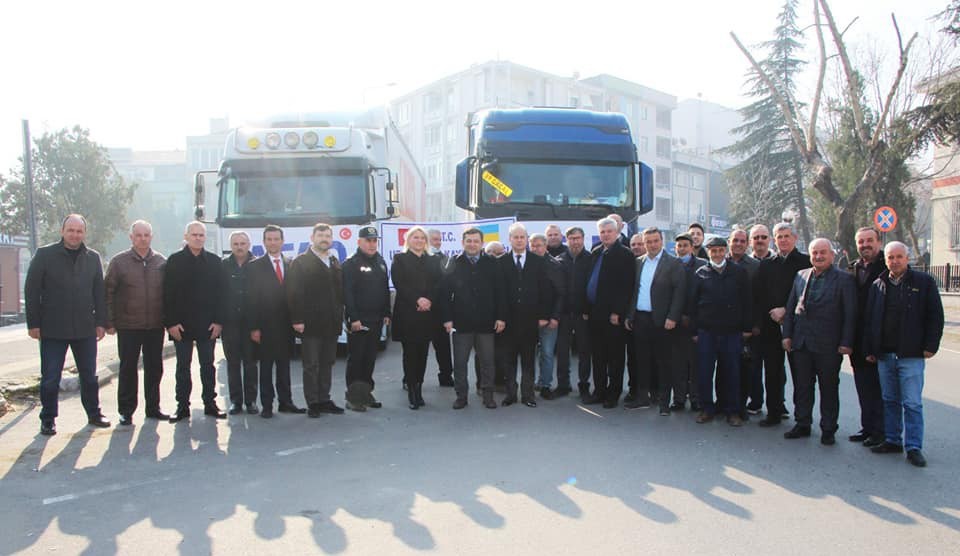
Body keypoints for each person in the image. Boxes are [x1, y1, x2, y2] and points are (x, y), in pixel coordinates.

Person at [26, 214, 110, 435]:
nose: (75, 235)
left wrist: (101, 322)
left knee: (89, 375)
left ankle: (94, 413)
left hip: (84, 327)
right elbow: (32, 290)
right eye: (71, 230)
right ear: (62, 231)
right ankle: (48, 419)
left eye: (79, 231)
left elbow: (99, 293)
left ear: (84, 233)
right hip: (53, 327)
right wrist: (33, 323)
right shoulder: (45, 255)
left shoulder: (92, 258)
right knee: (51, 376)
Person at [864, 242, 944, 467]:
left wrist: (931, 345)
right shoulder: (878, 284)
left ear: (907, 258)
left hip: (911, 354)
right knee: (890, 399)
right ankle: (892, 440)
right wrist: (871, 349)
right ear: (886, 259)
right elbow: (870, 320)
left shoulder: (924, 283)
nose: (895, 261)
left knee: (912, 403)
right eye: (891, 257)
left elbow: (935, 316)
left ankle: (914, 447)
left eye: (899, 257)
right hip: (885, 354)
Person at [781, 238, 856, 445]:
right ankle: (802, 423)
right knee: (803, 386)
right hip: (802, 343)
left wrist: (846, 342)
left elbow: (850, 314)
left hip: (829, 345)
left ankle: (829, 428)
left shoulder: (844, 280)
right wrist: (787, 335)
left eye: (823, 252)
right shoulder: (801, 275)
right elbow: (790, 308)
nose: (818, 256)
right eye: (814, 253)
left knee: (829, 387)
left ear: (832, 255)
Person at [104, 220, 167, 425]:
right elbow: (108, 293)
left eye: (146, 235)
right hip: (128, 325)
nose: (142, 239)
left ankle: (153, 407)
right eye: (138, 235)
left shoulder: (160, 262)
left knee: (154, 368)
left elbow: (168, 294)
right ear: (131, 237)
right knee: (128, 368)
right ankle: (126, 411)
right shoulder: (119, 262)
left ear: (151, 237)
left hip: (155, 326)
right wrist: (110, 321)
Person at [164, 221, 226, 422]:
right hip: (181, 326)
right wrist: (171, 323)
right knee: (183, 367)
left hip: (208, 325)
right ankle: (182, 407)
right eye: (194, 235)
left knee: (208, 366)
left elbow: (221, 294)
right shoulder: (174, 261)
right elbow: (168, 294)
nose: (198, 238)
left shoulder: (215, 262)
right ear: (186, 236)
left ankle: (210, 404)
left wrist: (218, 322)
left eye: (201, 235)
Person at [440, 228, 506, 409]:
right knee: (460, 363)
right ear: (463, 243)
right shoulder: (453, 263)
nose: (472, 244)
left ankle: (488, 396)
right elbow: (444, 295)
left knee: (487, 363)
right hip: (461, 323)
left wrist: (501, 317)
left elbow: (500, 293)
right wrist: (447, 319)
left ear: (482, 243)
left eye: (476, 241)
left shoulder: (492, 263)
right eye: (468, 241)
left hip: (486, 322)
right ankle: (461, 396)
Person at [690, 237, 752, 426]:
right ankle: (706, 409)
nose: (716, 254)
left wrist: (747, 328)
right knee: (704, 373)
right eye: (713, 251)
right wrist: (694, 331)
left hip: (731, 333)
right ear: (708, 252)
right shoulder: (700, 273)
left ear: (725, 251)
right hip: (706, 332)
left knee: (731, 372)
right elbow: (692, 305)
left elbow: (747, 301)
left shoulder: (738, 272)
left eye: (719, 250)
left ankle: (732, 411)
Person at [754, 222, 811, 427]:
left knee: (800, 374)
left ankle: (803, 418)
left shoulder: (806, 262)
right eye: (779, 237)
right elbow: (759, 295)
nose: (783, 240)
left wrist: (786, 311)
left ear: (795, 238)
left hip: (798, 326)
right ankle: (774, 412)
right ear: (774, 240)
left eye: (787, 236)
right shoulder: (768, 264)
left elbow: (809, 294)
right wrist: (770, 314)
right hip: (771, 325)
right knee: (772, 372)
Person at [286, 223, 346, 418]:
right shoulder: (301, 262)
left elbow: (339, 293)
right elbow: (294, 293)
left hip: (331, 323)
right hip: (310, 323)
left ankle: (324, 399)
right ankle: (313, 402)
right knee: (311, 365)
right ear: (312, 238)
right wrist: (297, 319)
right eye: (320, 235)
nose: (324, 239)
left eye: (328, 236)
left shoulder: (334, 261)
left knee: (327, 362)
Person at [624, 227, 685, 414]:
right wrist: (630, 315)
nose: (651, 245)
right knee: (641, 360)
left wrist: (672, 317)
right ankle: (643, 398)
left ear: (662, 241)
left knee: (663, 362)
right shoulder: (638, 262)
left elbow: (679, 292)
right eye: (648, 241)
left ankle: (663, 402)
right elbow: (634, 291)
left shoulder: (673, 263)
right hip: (641, 318)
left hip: (662, 320)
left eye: (655, 241)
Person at [247, 224, 304, 418]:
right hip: (265, 327)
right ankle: (267, 405)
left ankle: (286, 402)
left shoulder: (290, 263)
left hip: (286, 326)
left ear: (282, 241)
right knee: (265, 368)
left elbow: (296, 295)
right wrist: (254, 327)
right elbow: (252, 299)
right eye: (269, 239)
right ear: (264, 242)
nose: (273, 243)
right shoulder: (255, 266)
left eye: (276, 239)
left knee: (284, 366)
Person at [497, 223, 553, 408]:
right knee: (509, 360)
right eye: (516, 237)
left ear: (526, 239)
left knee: (529, 359)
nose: (519, 240)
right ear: (510, 239)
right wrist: (501, 317)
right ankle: (511, 394)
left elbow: (545, 291)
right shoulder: (501, 261)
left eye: (522, 237)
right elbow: (499, 293)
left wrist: (544, 315)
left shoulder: (538, 261)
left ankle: (528, 395)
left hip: (530, 320)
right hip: (509, 321)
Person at [583, 218, 635, 408]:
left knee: (615, 357)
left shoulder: (625, 255)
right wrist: (587, 309)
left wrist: (617, 312)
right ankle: (599, 391)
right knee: (598, 356)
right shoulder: (596, 252)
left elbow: (626, 287)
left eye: (609, 231)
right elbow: (589, 281)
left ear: (617, 232)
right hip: (595, 313)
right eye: (602, 232)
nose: (605, 234)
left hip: (613, 316)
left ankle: (613, 394)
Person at [392, 226, 443, 410]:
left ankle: (419, 387)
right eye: (415, 237)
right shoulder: (400, 259)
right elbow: (399, 283)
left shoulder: (433, 260)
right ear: (409, 240)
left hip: (428, 314)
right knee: (410, 353)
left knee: (422, 353)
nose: (419, 240)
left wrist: (429, 300)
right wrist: (418, 299)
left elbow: (438, 283)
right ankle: (412, 391)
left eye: (422, 238)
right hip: (408, 313)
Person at [341, 226, 391, 412]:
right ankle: (353, 397)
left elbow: (384, 290)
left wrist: (387, 313)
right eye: (368, 241)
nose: (371, 244)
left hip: (376, 319)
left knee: (370, 358)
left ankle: (365, 393)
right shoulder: (350, 264)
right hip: (359, 320)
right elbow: (348, 294)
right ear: (359, 242)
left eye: (374, 241)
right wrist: (353, 318)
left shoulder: (380, 261)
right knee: (357, 359)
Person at [846, 227, 887, 446]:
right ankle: (868, 427)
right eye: (861, 242)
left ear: (878, 242)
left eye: (869, 241)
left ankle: (881, 431)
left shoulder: (886, 266)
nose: (865, 245)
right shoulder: (852, 268)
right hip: (857, 339)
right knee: (863, 386)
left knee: (880, 388)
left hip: (878, 337)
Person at [221, 231, 259, 416]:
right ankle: (236, 401)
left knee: (251, 364)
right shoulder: (223, 265)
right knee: (233, 364)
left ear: (249, 244)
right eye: (235, 243)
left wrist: (258, 325)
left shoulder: (257, 264)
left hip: (251, 324)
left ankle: (251, 401)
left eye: (242, 243)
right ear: (231, 246)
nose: (239, 247)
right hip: (230, 324)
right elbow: (218, 295)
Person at [726, 229, 760, 417]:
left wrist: (752, 326)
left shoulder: (755, 266)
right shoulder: (720, 262)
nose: (738, 243)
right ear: (729, 242)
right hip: (723, 326)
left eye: (742, 241)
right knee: (724, 368)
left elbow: (758, 299)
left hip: (745, 327)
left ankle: (740, 407)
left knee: (744, 369)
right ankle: (723, 403)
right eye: (735, 240)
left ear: (747, 243)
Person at [556, 226, 593, 400]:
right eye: (571, 238)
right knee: (563, 351)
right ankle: (563, 385)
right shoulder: (560, 259)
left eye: (578, 238)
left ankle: (584, 385)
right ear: (566, 240)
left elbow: (594, 288)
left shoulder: (591, 259)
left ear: (583, 238)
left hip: (583, 315)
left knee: (585, 351)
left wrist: (588, 310)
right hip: (564, 314)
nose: (575, 241)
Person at [672, 233, 707, 411]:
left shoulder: (702, 266)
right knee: (678, 364)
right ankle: (678, 399)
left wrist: (694, 319)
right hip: (675, 323)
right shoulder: (671, 264)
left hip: (695, 323)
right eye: (679, 246)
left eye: (685, 245)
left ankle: (696, 399)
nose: (682, 249)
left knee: (695, 364)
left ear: (692, 247)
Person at [530, 233, 566, 399]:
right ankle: (529, 384)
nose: (535, 248)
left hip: (549, 319)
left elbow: (560, 294)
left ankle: (545, 385)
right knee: (528, 354)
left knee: (546, 352)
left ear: (545, 246)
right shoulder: (525, 263)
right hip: (528, 319)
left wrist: (554, 318)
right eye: (533, 245)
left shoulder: (554, 265)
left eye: (539, 245)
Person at [428, 228, 455, 387]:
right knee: (417, 350)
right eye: (434, 239)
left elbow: (447, 287)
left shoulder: (445, 258)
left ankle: (445, 376)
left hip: (440, 311)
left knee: (443, 347)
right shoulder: (421, 258)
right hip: (422, 311)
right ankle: (411, 380)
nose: (437, 243)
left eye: (439, 240)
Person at [625, 231, 648, 402]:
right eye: (633, 244)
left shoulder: (648, 263)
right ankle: (634, 389)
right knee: (632, 357)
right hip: (627, 318)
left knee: (648, 357)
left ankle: (650, 390)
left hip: (645, 317)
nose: (637, 247)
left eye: (640, 244)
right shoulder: (629, 262)